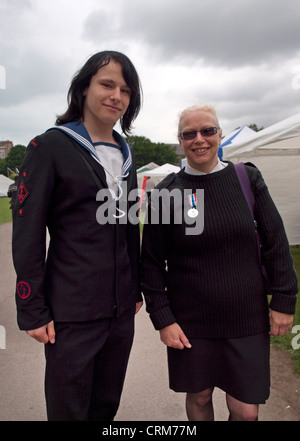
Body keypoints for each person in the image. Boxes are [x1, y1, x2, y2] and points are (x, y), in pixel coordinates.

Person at [141, 104, 298, 421]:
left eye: (207, 130)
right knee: (198, 397)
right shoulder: (167, 192)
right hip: (190, 321)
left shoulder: (247, 179)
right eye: (189, 134)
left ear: (220, 134)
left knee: (246, 410)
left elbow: (276, 242)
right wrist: (163, 319)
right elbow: (151, 264)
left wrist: (284, 299)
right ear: (180, 141)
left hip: (246, 317)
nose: (199, 139)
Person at [12, 51, 143, 421]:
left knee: (105, 405)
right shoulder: (50, 145)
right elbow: (28, 232)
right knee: (69, 409)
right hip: (72, 309)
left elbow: (130, 227)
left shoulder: (125, 152)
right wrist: (32, 309)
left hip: (120, 313)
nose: (116, 95)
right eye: (107, 84)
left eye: (126, 90)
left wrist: (134, 289)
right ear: (84, 88)